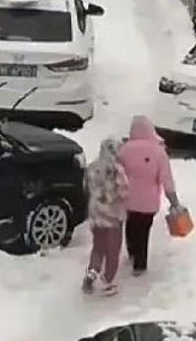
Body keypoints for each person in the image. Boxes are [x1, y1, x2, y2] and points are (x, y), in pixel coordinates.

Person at [116, 115, 179, 276]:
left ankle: (131, 253)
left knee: (130, 226)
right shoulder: (158, 152)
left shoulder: (124, 149)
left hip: (128, 200)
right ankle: (140, 264)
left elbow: (116, 173)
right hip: (149, 204)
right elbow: (166, 179)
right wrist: (173, 201)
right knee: (143, 231)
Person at [82, 137, 129, 296]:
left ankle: (92, 273)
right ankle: (108, 281)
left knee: (98, 247)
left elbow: (86, 188)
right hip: (113, 217)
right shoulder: (118, 170)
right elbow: (124, 192)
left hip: (96, 215)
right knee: (112, 251)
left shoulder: (92, 168)